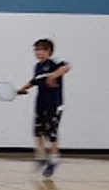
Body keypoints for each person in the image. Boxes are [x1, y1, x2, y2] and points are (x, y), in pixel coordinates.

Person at [17, 38, 71, 178]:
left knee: (51, 134)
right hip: (40, 104)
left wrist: (54, 75)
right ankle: (41, 158)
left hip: (54, 105)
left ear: (48, 51)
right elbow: (34, 81)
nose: (37, 52)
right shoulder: (37, 66)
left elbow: (67, 67)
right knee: (37, 133)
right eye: (35, 49)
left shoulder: (54, 63)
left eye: (40, 49)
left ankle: (54, 161)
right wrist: (22, 89)